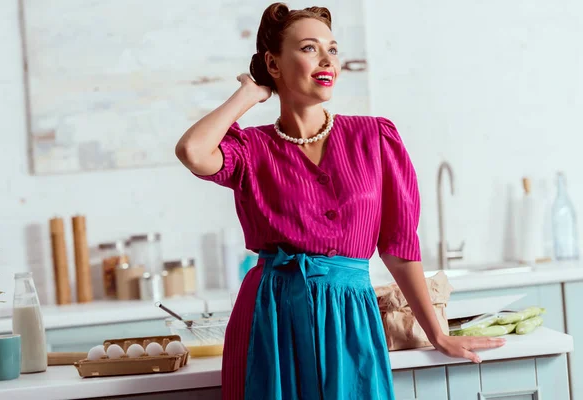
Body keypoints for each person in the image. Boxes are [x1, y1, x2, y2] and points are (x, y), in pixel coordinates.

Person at [176, 3, 505, 399]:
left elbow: (399, 247)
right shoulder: (251, 148)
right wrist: (248, 93)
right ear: (274, 64)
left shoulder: (374, 138)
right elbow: (193, 150)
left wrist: (437, 333)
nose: (326, 59)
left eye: (332, 49)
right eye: (309, 48)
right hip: (271, 316)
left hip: (350, 316)